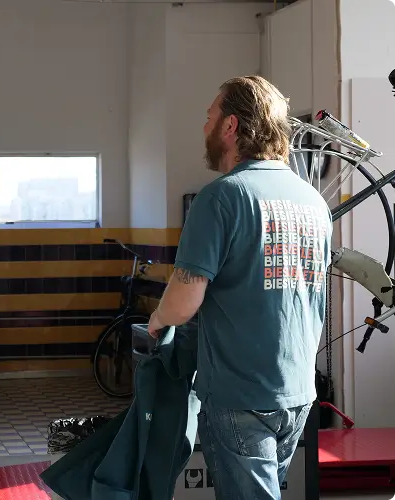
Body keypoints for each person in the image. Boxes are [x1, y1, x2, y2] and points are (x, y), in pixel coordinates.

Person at [147, 76, 332, 500]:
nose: (204, 127)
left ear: (230, 126)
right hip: (297, 392)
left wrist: (157, 320)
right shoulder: (313, 202)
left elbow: (183, 301)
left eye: (209, 116)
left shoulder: (221, 197)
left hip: (239, 394)